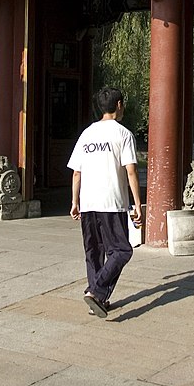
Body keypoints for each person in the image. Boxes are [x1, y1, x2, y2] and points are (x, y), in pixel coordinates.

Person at [68, 86, 143, 320]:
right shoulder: (123, 134)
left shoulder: (86, 134)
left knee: (94, 251)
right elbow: (131, 171)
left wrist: (74, 201)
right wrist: (138, 204)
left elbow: (76, 173)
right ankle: (96, 291)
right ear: (119, 105)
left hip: (89, 203)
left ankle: (97, 298)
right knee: (121, 250)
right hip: (112, 203)